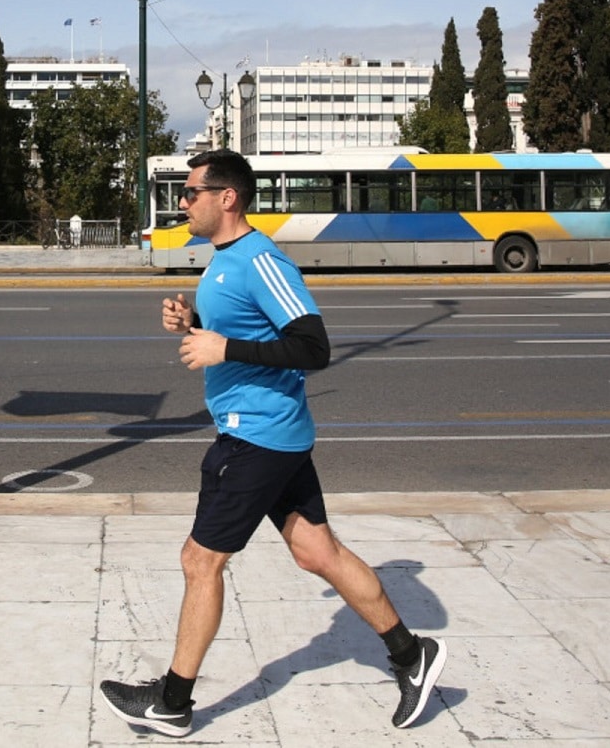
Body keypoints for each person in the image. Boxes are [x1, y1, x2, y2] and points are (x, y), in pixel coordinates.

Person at [100, 149, 446, 738]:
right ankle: (413, 656)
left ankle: (174, 702)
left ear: (225, 197)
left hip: (257, 438)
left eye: (190, 193)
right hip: (265, 433)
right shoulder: (223, 259)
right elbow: (241, 327)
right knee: (318, 553)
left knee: (200, 560)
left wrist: (223, 349)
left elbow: (313, 347)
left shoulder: (262, 261)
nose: (183, 202)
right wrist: (191, 322)